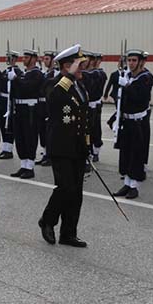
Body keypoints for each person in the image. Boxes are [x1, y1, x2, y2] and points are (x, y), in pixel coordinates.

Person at [39, 44, 91, 247]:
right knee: (65, 187)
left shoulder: (80, 86)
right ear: (66, 66)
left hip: (77, 146)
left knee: (76, 192)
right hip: (61, 146)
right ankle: (47, 220)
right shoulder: (53, 84)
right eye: (78, 65)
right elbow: (55, 100)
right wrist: (68, 76)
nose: (82, 69)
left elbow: (85, 117)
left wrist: (87, 144)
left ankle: (68, 233)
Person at [112, 49, 153, 200]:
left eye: (134, 60)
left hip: (138, 122)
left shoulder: (146, 78)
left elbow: (140, 97)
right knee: (125, 153)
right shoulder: (127, 76)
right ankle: (127, 183)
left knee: (136, 154)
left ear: (141, 62)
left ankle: (134, 186)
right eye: (129, 60)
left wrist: (127, 87)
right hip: (126, 120)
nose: (131, 63)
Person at [9, 49, 43, 179]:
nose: (24, 59)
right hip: (20, 108)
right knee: (20, 138)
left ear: (34, 59)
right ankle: (23, 165)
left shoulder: (37, 74)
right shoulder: (24, 73)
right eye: (24, 57)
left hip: (30, 109)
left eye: (27, 57)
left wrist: (16, 79)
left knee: (29, 137)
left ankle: (30, 167)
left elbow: (28, 87)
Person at [82, 52, 107, 162]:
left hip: (93, 106)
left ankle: (94, 151)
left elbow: (91, 82)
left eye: (85, 59)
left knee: (94, 130)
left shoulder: (98, 73)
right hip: (85, 105)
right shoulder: (87, 73)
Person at [0, 50, 20, 160]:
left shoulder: (17, 72)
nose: (7, 60)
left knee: (9, 126)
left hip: (10, 101)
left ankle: (9, 150)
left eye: (10, 58)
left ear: (15, 59)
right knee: (3, 125)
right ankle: (5, 148)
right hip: (3, 100)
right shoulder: (5, 71)